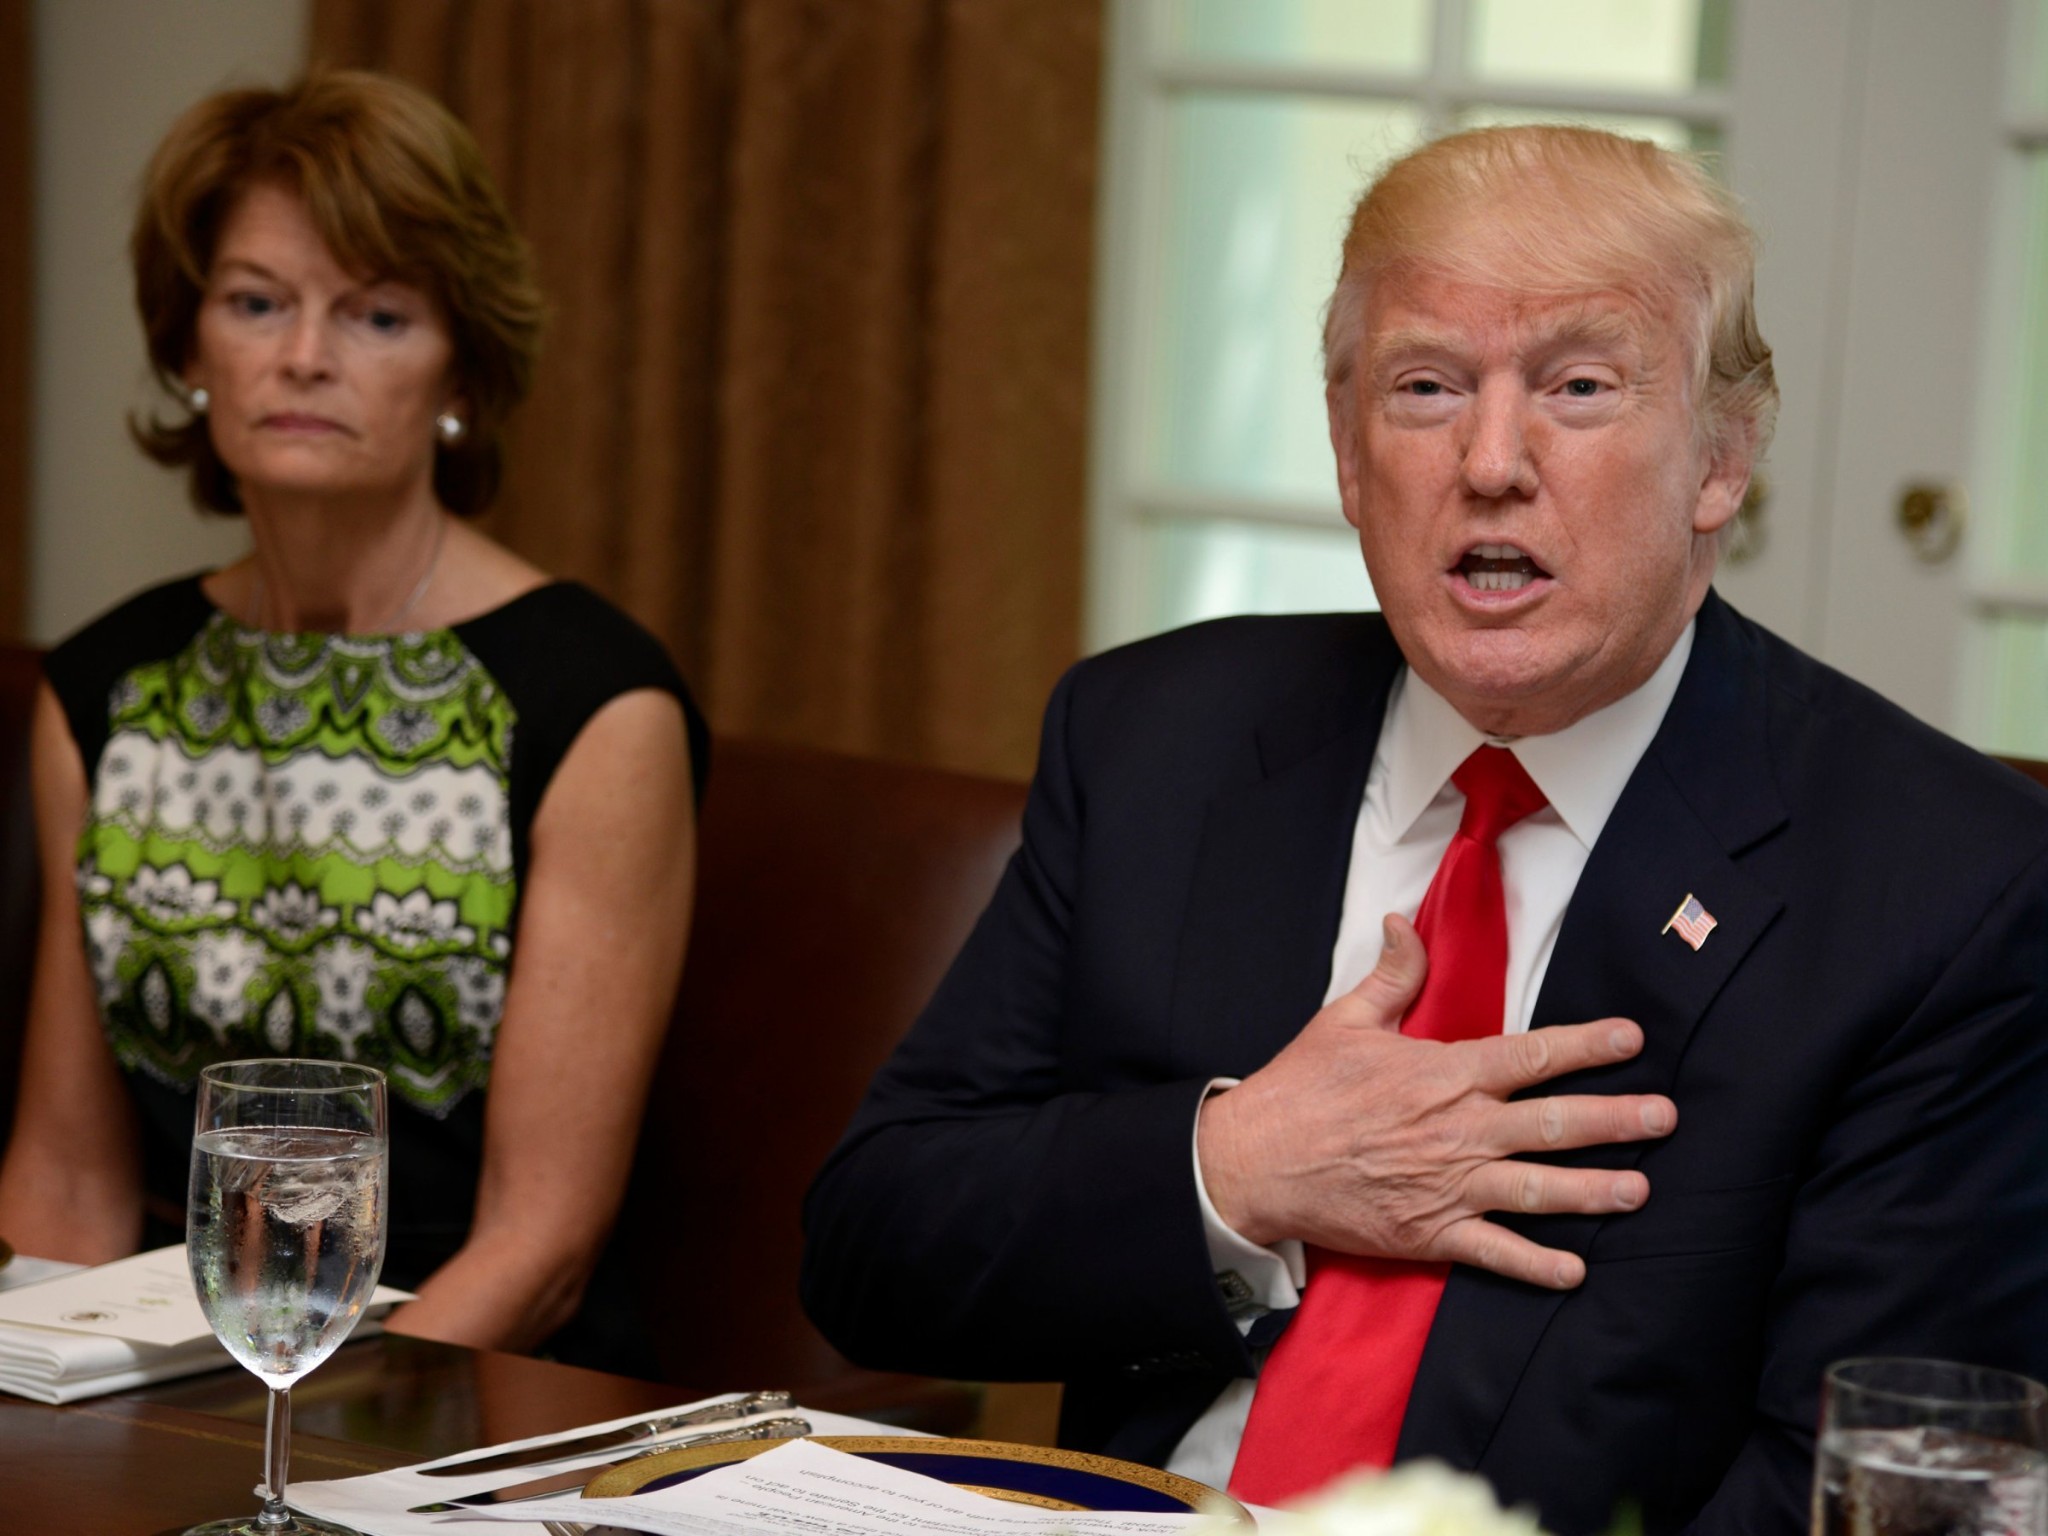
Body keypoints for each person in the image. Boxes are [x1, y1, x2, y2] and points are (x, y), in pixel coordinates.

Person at [800, 126, 2048, 1534]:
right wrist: (1239, 1170)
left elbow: (1871, 1485)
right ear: (1349, 450)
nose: (1492, 462)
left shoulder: (1945, 886)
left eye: (1580, 387)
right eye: (1426, 387)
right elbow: (873, 1248)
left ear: (1722, 459)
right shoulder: (1160, 739)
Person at [0, 70, 707, 1371]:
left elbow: (542, 1242)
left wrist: (286, 1438)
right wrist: (58, 1408)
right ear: (190, 348)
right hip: (168, 1370)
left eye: (376, 314)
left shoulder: (592, 703)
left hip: (469, 1381)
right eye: (255, 302)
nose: (305, 357)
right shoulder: (107, 688)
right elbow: (66, 1181)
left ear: (460, 369)